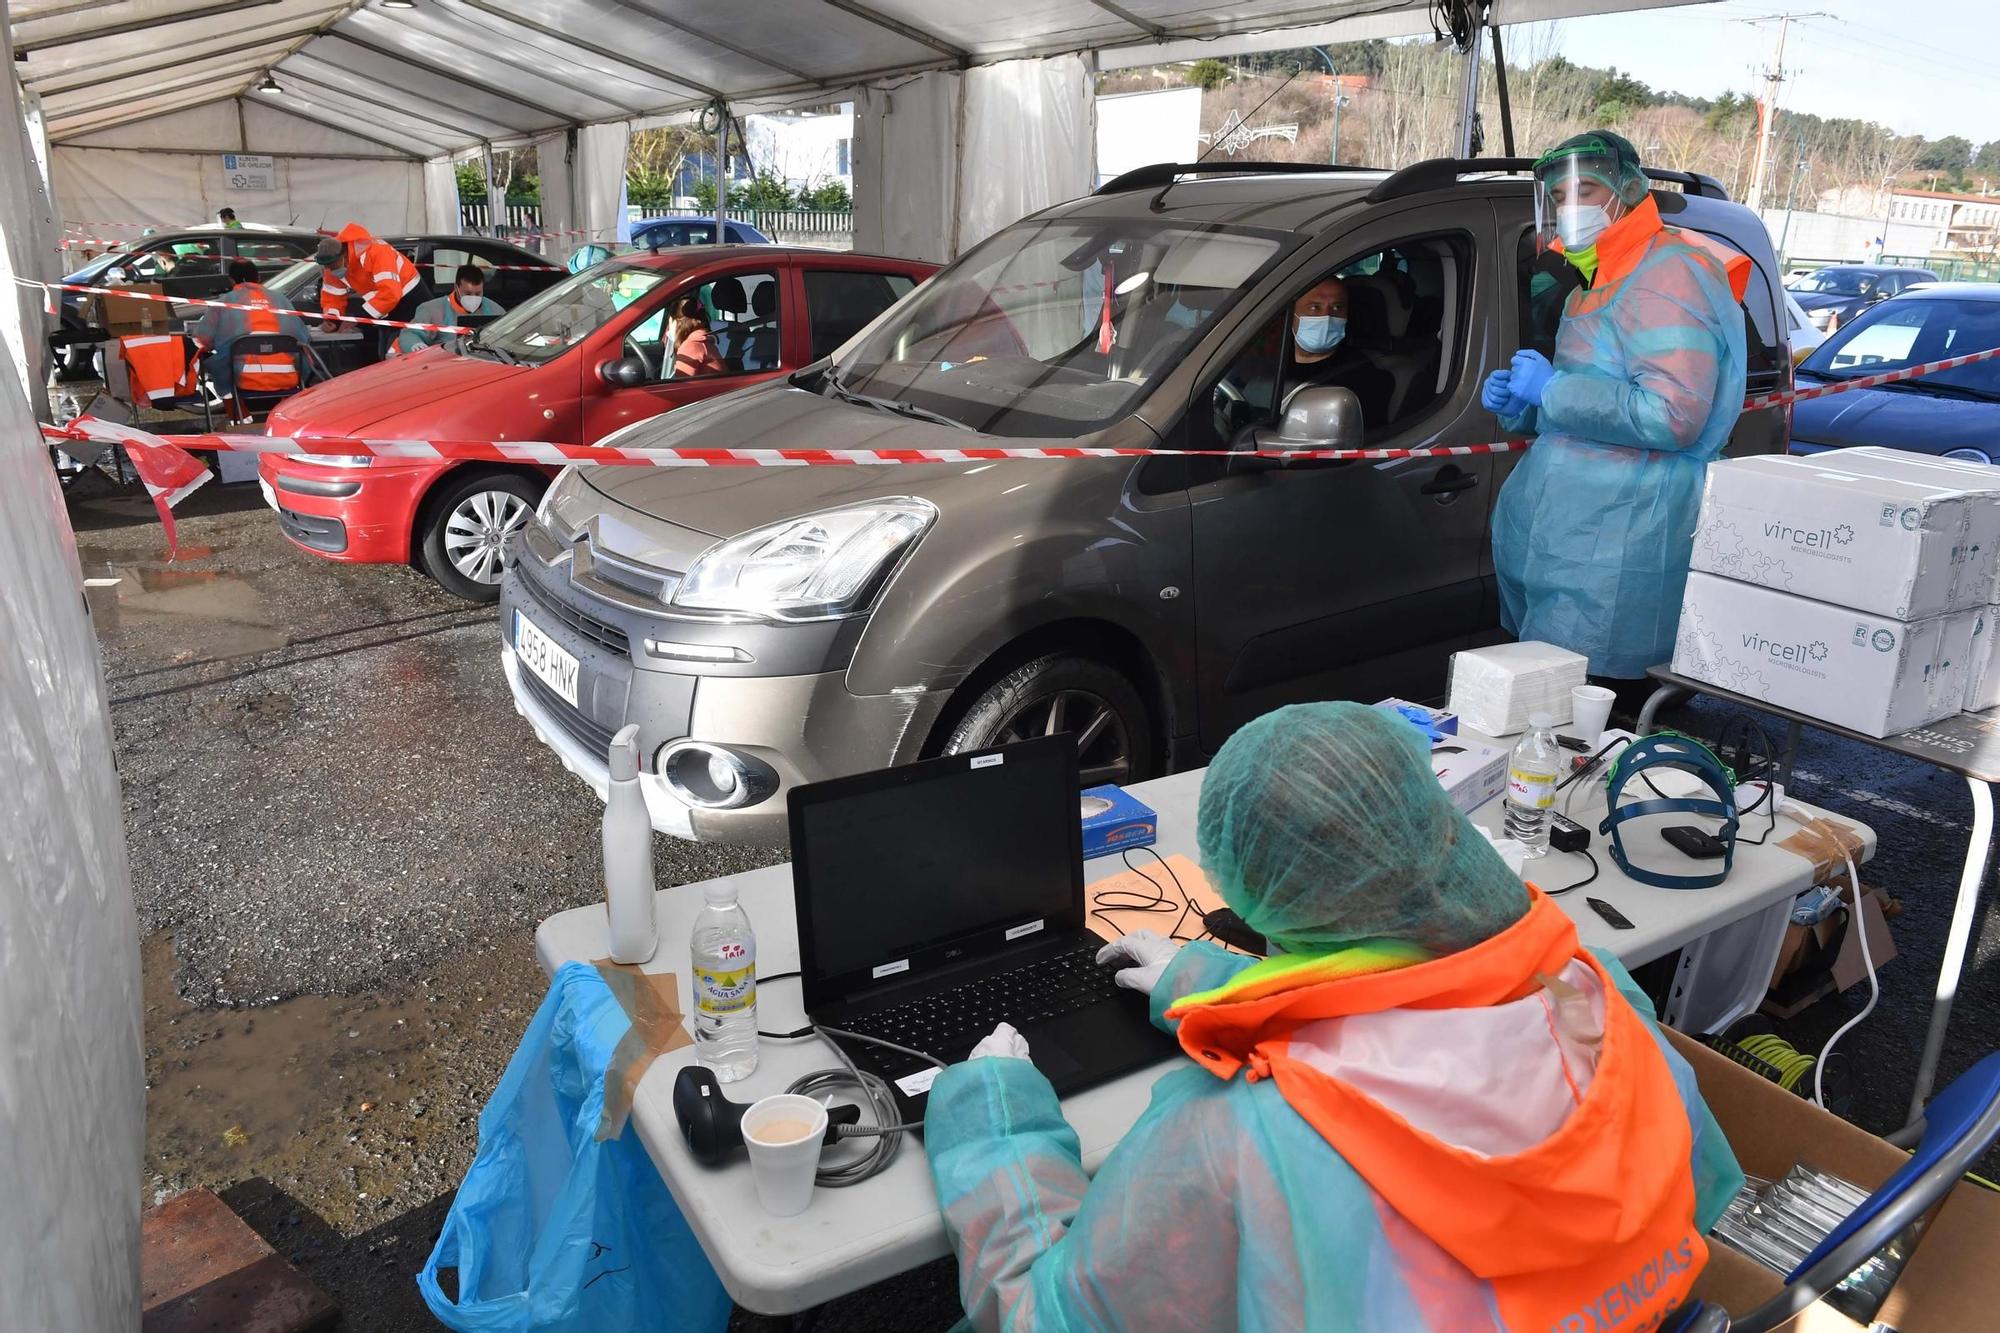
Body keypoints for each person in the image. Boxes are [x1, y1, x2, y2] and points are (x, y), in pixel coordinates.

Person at [926, 700, 1744, 1332]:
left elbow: (1050, 1313)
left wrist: (996, 1119)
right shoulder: (1597, 998)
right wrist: (1212, 983)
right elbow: (1698, 1194)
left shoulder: (1238, 1142)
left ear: (1260, 901)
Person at [1484, 131, 1750, 684]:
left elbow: (1672, 416)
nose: (1570, 207)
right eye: (1559, 196)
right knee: (1547, 705)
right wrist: (1524, 406)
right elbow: (1592, 402)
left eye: (1585, 189)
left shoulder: (1669, 271)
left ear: (1628, 191)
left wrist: (1551, 391)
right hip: (1573, 537)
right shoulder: (1597, 274)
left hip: (1623, 542)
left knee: (1593, 720)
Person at [188, 258, 312, 404]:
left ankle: (239, 416)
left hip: (244, 379)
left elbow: (202, 340)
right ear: (258, 278)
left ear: (232, 281)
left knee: (217, 362)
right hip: (289, 377)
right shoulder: (280, 299)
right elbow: (303, 336)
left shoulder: (222, 303)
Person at [1282, 275, 1393, 426]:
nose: (1327, 317)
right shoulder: (1270, 361)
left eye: (1337, 307)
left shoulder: (1362, 376)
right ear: (1293, 315)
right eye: (1315, 307)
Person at [315, 223, 426, 358]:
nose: (331, 270)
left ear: (344, 256)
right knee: (385, 354)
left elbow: (390, 294)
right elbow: (332, 297)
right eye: (327, 267)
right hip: (386, 310)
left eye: (333, 266)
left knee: (397, 355)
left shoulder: (377, 252)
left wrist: (357, 318)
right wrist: (332, 320)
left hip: (411, 303)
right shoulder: (332, 264)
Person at [395, 265, 506, 355]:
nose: (474, 298)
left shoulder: (495, 310)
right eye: (467, 293)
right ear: (456, 288)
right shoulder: (432, 310)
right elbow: (410, 333)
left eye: (478, 293)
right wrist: (415, 345)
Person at [668, 295, 727, 378]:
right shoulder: (701, 341)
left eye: (670, 322)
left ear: (678, 322)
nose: (669, 329)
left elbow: (681, 386)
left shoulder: (691, 346)